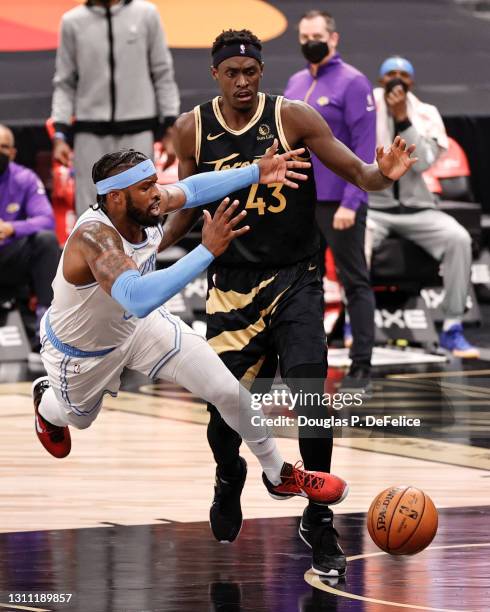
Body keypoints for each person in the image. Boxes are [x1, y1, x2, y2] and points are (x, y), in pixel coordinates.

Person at [161, 29, 416, 576]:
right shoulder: (192, 129)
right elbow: (183, 206)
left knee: (311, 395)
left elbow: (356, 171)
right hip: (231, 285)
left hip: (297, 278)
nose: (243, 82)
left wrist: (382, 175)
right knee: (225, 410)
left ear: (261, 73)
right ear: (215, 76)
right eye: (232, 73)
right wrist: (148, 250)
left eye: (251, 72)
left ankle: (318, 521)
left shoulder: (293, 117)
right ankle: (229, 475)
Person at [33, 145, 349, 518]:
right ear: (115, 197)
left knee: (227, 390)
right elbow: (137, 296)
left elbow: (194, 189)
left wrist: (256, 171)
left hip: (140, 327)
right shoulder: (94, 239)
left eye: (155, 184)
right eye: (146, 188)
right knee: (78, 419)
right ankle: (46, 404)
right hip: (83, 352)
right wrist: (206, 251)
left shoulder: (144, 204)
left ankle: (278, 474)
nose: (157, 195)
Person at [284, 9, 376, 390]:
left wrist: (351, 203)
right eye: (304, 37)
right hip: (300, 202)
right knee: (305, 284)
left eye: (317, 35)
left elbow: (365, 147)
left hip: (338, 201)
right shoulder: (295, 81)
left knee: (355, 281)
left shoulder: (353, 83)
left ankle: (361, 367)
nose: (310, 43)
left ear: (333, 38)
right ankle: (309, 361)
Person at [369, 56, 479, 358]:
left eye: (403, 75)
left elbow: (426, 162)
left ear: (412, 81)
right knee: (357, 240)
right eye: (390, 74)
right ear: (381, 80)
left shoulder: (427, 113)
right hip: (375, 208)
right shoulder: (365, 107)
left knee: (459, 238)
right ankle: (357, 322)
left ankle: (453, 327)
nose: (397, 80)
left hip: (419, 208)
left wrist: (403, 119)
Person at [51, 0, 180, 216]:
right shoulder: (72, 22)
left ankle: (143, 251)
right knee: (90, 208)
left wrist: (170, 129)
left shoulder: (146, 14)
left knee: (142, 207)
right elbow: (64, 83)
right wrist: (60, 134)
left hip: (138, 131)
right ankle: (92, 251)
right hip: (89, 135)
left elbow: (163, 74)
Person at [0, 124, 59, 353]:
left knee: (46, 241)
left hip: (10, 256)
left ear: (13, 152)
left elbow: (47, 220)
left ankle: (46, 328)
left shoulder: (24, 178)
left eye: (4, 147)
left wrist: (11, 228)